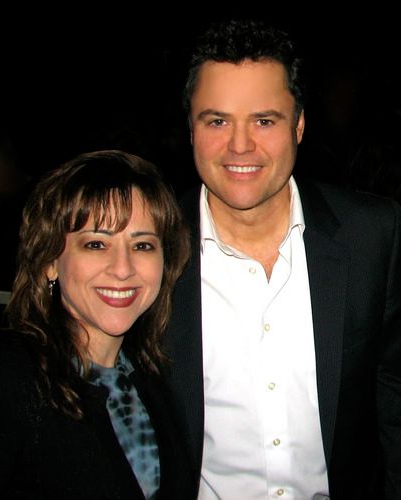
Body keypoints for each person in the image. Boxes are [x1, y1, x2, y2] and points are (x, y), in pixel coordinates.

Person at [162, 18, 401, 499]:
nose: (240, 145)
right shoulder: (149, 252)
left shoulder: (372, 235)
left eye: (264, 121)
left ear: (299, 125)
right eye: (217, 121)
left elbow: (394, 398)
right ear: (190, 129)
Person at [0, 149, 193, 499]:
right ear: (50, 261)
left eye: (142, 245)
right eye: (96, 244)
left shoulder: (156, 380)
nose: (123, 268)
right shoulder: (4, 380)